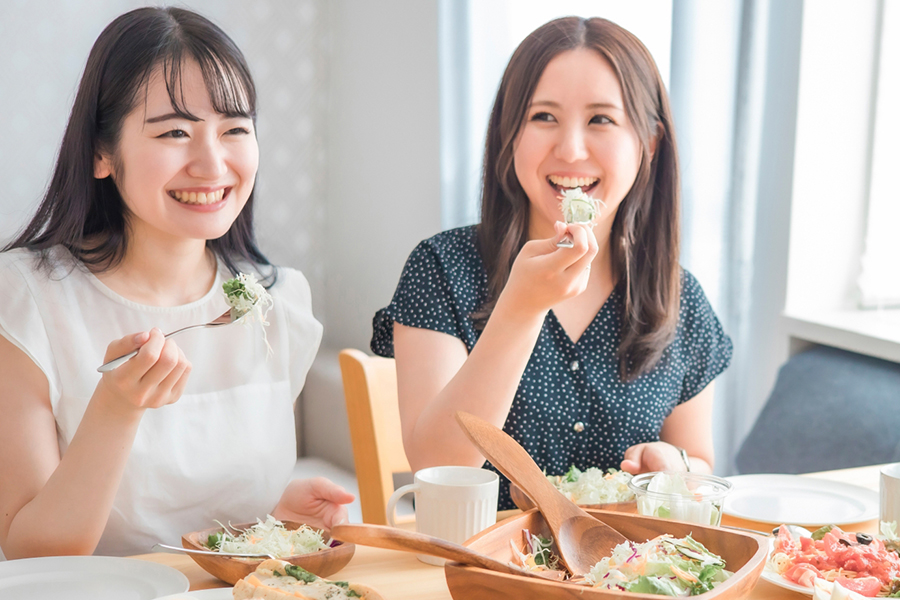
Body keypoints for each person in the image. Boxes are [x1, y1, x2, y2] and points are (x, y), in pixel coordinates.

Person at [0, 7, 353, 559]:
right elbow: (36, 553)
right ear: (101, 152)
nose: (212, 165)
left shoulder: (273, 300)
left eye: (234, 129)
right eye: (174, 132)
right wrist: (115, 409)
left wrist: (273, 512)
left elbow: (194, 519)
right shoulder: (27, 300)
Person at [372, 17, 733, 509]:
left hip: (625, 574)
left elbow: (699, 462)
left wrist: (674, 467)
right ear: (510, 133)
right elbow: (437, 467)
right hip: (488, 576)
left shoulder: (678, 296)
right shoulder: (442, 268)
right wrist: (520, 310)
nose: (570, 149)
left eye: (601, 120)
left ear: (648, 143)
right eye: (543, 117)